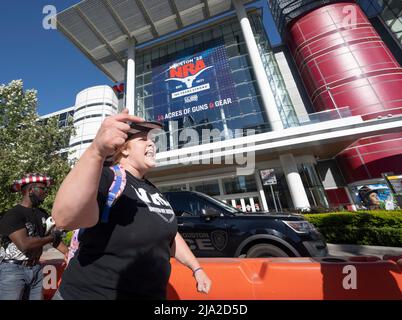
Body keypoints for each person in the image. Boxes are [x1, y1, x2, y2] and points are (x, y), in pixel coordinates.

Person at [51, 109, 212, 300]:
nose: (152, 143)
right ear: (124, 149)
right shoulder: (106, 176)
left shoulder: (153, 190)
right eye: (143, 139)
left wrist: (196, 268)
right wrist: (96, 150)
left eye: (151, 139)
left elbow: (169, 234)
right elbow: (64, 217)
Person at [0, 173, 68, 300]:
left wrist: (68, 253)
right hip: (13, 270)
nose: (46, 192)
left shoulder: (42, 214)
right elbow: (24, 245)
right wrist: (53, 237)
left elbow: (53, 239)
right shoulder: (13, 214)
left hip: (36, 267)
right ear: (31, 190)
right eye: (43, 189)